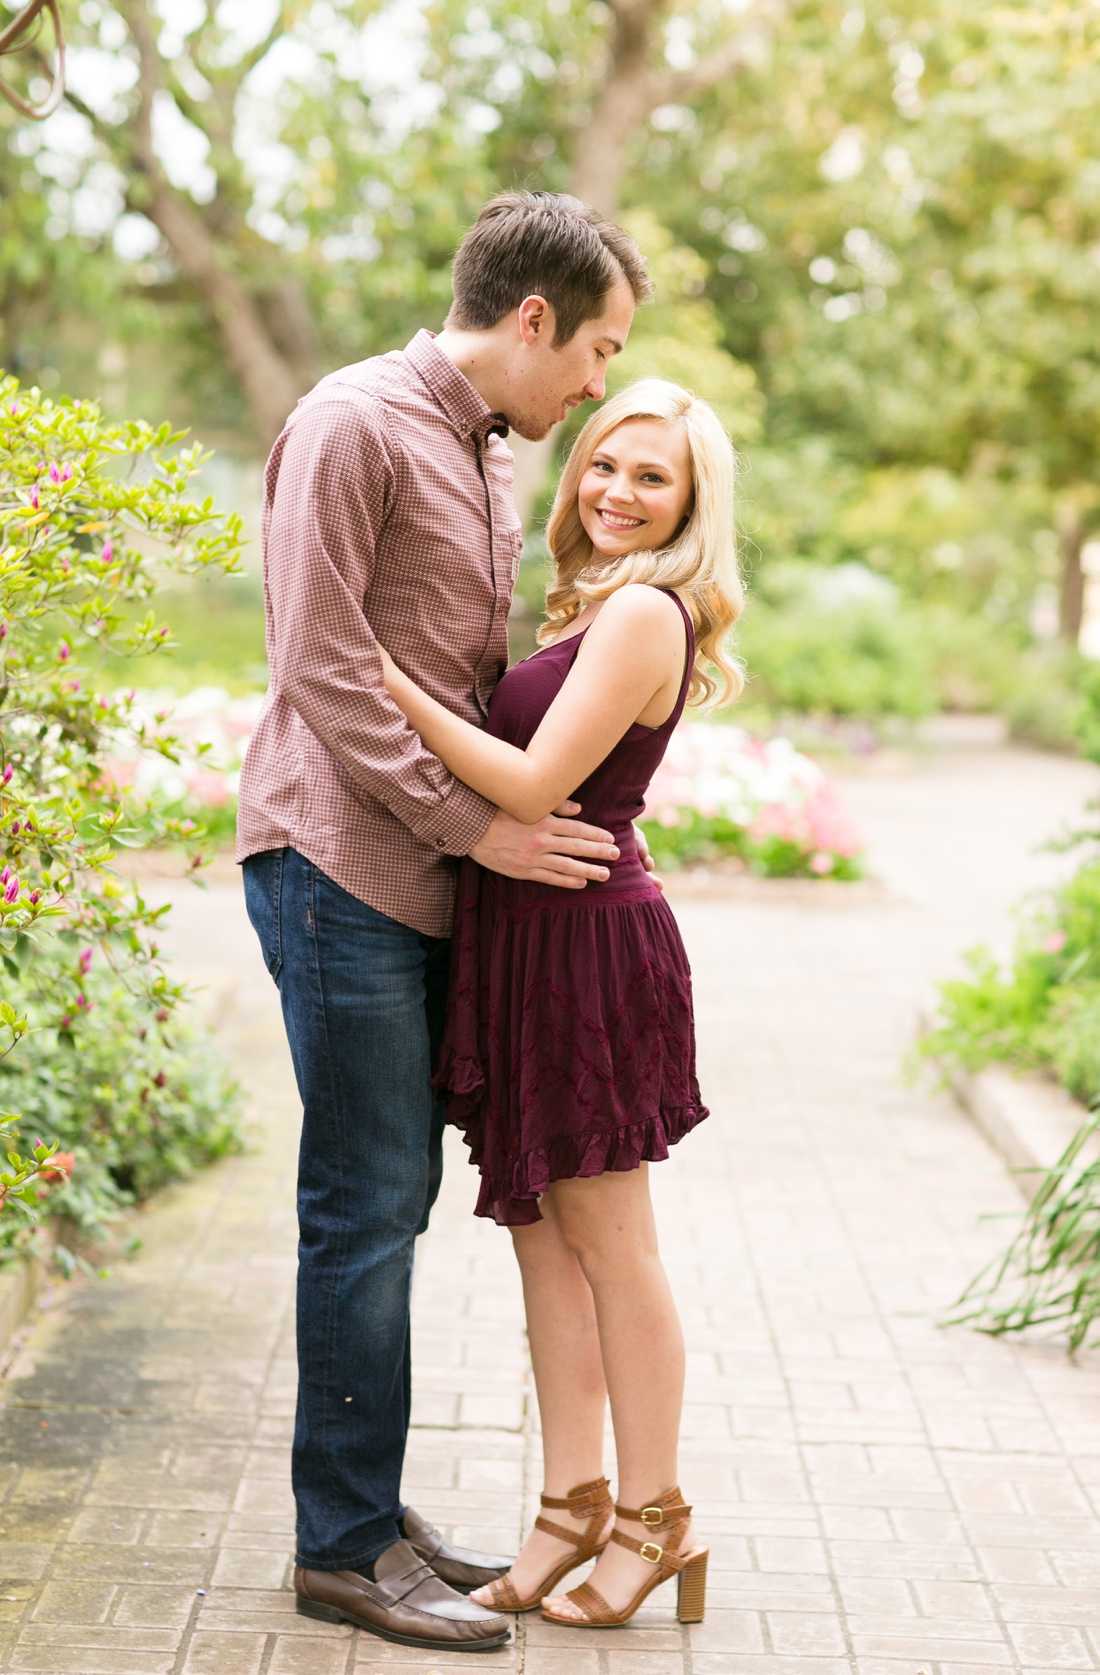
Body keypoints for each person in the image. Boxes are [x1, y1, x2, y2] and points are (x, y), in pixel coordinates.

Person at [236, 191, 653, 1654]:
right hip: (338, 860)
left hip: (419, 877)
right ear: (531, 319)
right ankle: (340, 1544)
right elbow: (325, 667)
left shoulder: (483, 449)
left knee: (389, 1194)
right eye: (596, 346)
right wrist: (484, 828)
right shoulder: (352, 423)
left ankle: (363, 1503)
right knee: (364, 1199)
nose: (598, 382)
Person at [375, 377, 745, 1630]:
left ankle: (655, 1514)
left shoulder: (644, 611)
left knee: (612, 1249)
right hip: (524, 942)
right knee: (544, 1245)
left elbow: (531, 781)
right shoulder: (583, 602)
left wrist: (391, 682)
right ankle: (567, 1500)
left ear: (693, 501)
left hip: (588, 949)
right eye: (604, 465)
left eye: (653, 477)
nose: (618, 492)